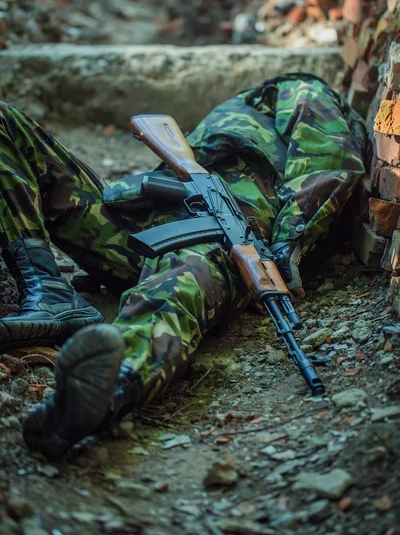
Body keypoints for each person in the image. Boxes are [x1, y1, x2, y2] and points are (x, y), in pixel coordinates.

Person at [0, 73, 367, 459]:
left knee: (180, 288)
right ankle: (48, 289)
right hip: (153, 220)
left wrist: (283, 249)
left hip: (224, 237)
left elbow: (329, 161)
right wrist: (289, 242)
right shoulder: (282, 96)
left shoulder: (294, 100)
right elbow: (326, 160)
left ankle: (109, 386)